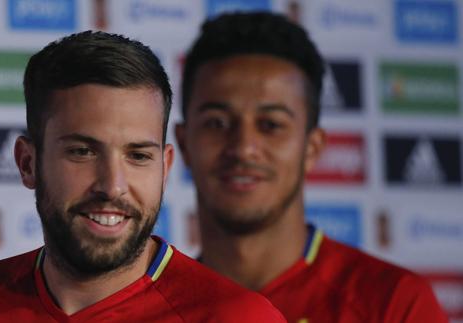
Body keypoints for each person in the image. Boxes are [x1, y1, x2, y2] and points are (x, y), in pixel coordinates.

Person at [0, 31, 285, 322]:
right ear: (27, 163)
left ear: (166, 167)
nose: (112, 185)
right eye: (83, 152)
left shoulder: (239, 317)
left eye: (138, 155)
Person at [175, 12, 448, 323]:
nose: (243, 148)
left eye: (271, 124)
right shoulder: (151, 311)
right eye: (217, 123)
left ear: (312, 148)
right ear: (183, 144)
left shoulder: (394, 303)